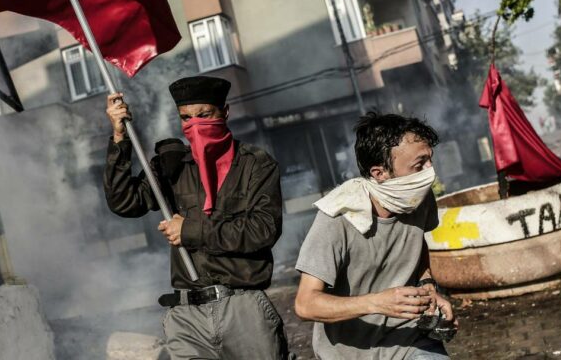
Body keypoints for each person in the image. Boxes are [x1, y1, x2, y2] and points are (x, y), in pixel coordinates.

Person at [103, 76, 290, 359]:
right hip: (187, 316)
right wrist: (120, 137)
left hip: (242, 307)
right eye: (186, 118)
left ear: (224, 112)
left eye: (204, 115)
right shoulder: (171, 166)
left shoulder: (256, 163)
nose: (196, 125)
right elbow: (125, 202)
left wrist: (190, 230)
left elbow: (262, 230)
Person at [294, 112, 456, 359]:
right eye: (419, 165)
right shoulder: (336, 218)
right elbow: (305, 304)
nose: (429, 171)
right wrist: (378, 303)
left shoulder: (419, 197)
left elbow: (417, 241)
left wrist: (427, 286)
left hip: (410, 343)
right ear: (380, 173)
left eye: (430, 161)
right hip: (348, 353)